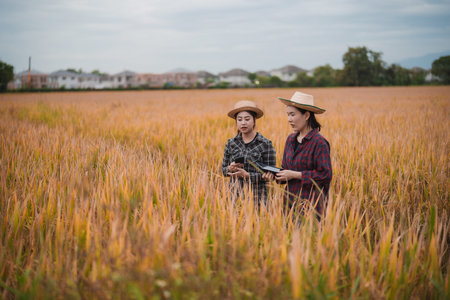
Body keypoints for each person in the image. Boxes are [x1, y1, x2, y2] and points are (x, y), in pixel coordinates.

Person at [263, 91, 332, 217]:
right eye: (288, 115)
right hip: (289, 205)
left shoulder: (319, 143)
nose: (289, 119)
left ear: (306, 115)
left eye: (292, 114)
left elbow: (325, 175)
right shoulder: (290, 140)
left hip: (312, 206)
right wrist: (275, 176)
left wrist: (295, 174)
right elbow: (286, 171)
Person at [222, 100, 276, 204]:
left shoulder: (265, 144)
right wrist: (230, 168)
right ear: (236, 122)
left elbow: (271, 175)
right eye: (239, 119)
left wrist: (248, 176)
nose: (243, 122)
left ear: (254, 120)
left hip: (257, 199)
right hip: (234, 198)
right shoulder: (231, 143)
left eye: (247, 119)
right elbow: (223, 171)